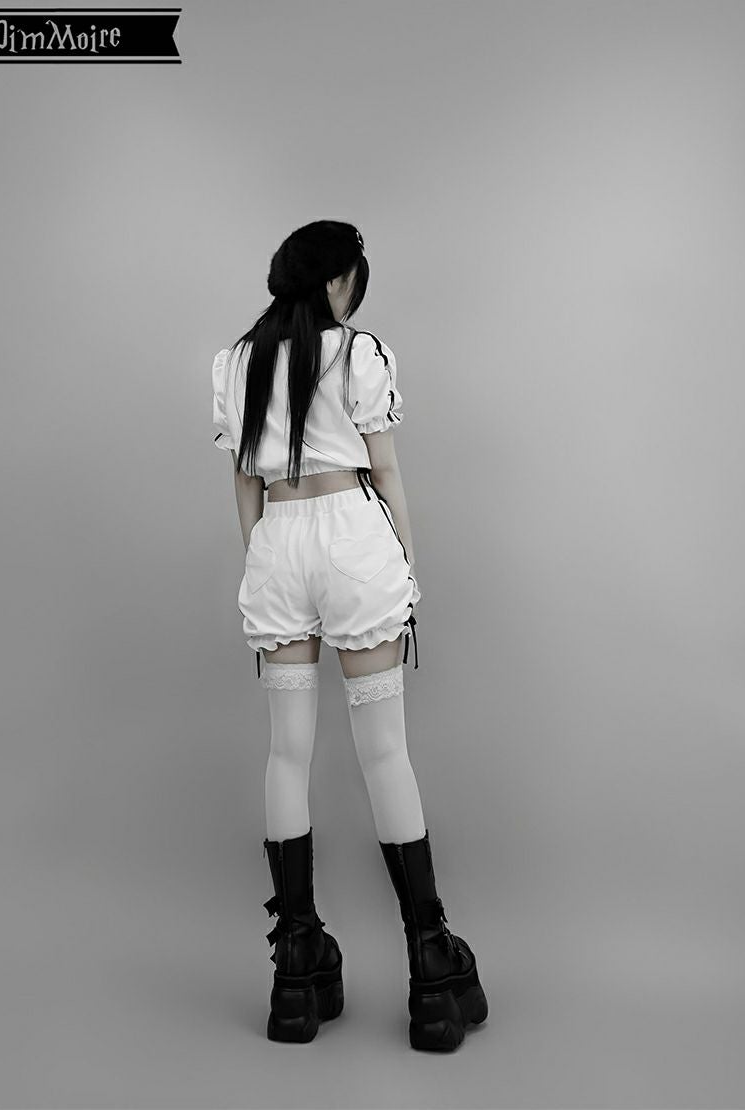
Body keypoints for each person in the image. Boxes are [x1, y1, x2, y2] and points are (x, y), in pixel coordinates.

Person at [211, 220, 488, 1052]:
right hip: (353, 536)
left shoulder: (235, 364)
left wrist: (267, 561)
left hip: (278, 538)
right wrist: (406, 560)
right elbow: (386, 469)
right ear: (336, 282)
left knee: (286, 752)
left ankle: (296, 967)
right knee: (384, 752)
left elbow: (244, 486)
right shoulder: (359, 353)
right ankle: (431, 964)